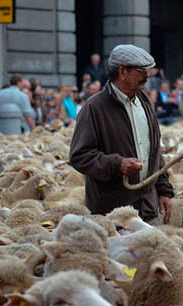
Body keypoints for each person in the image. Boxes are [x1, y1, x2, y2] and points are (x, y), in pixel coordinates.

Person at [69, 44, 174, 224]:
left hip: (148, 209)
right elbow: (80, 156)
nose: (146, 76)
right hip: (113, 216)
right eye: (141, 71)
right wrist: (118, 164)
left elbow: (154, 151)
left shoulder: (144, 101)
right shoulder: (94, 108)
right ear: (123, 72)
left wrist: (164, 191)